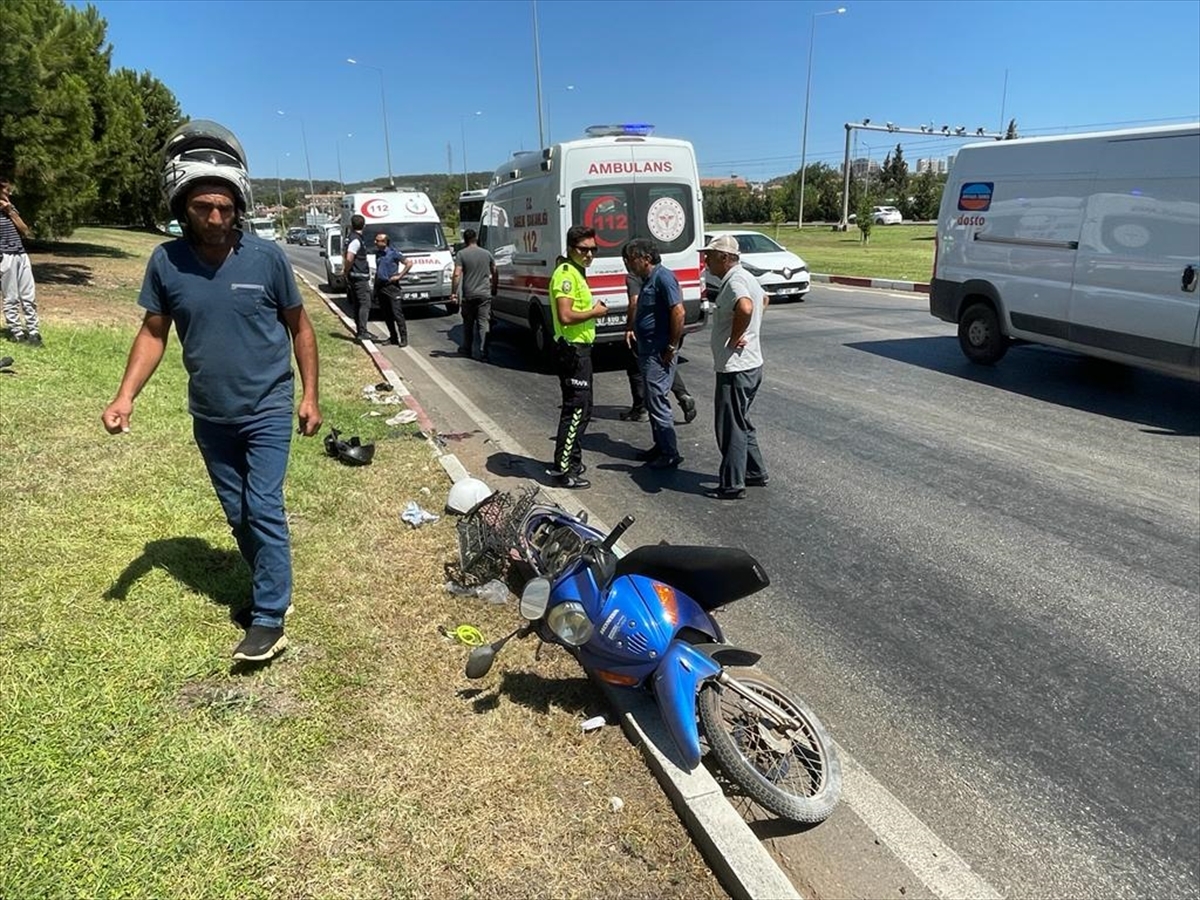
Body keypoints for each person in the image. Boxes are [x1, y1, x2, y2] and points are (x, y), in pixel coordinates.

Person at [101, 120, 322, 662]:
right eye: (204, 208)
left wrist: (309, 395)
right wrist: (125, 395)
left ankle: (269, 616)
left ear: (239, 205)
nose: (217, 218)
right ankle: (274, 585)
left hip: (267, 405)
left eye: (225, 207)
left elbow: (301, 327)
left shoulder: (266, 259)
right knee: (238, 512)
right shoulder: (166, 262)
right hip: (210, 414)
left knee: (263, 504)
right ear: (183, 206)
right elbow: (154, 333)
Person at [702, 234, 768, 500]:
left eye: (709, 255)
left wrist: (736, 334)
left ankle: (732, 484)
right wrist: (750, 331)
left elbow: (746, 305)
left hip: (736, 367)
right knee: (741, 422)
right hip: (751, 364)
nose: (705, 260)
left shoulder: (735, 281)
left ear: (725, 257)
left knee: (730, 427)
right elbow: (764, 300)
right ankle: (754, 471)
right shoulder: (747, 277)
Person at [545, 225, 608, 489]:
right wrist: (594, 313)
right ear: (571, 248)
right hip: (572, 350)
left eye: (594, 250)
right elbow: (566, 316)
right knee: (576, 411)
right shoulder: (566, 275)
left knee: (585, 409)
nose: (590, 255)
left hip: (581, 349)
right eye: (584, 250)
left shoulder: (576, 272)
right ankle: (563, 469)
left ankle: (573, 459)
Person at [622, 239, 684, 469]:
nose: (628, 264)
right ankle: (660, 446)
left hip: (659, 352)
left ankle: (670, 453)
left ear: (645, 258)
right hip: (648, 351)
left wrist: (671, 346)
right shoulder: (648, 279)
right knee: (651, 399)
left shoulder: (663, 277)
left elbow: (678, 311)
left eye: (631, 259)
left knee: (657, 400)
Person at [621, 272, 697, 425]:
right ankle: (682, 394)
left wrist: (629, 326)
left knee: (636, 366)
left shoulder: (634, 277)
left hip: (648, 333)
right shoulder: (665, 276)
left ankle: (641, 408)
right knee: (664, 363)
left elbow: (634, 302)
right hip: (666, 328)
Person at [0, 178, 41, 347]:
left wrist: (10, 212)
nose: (9, 193)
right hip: (4, 256)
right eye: (6, 191)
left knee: (28, 296)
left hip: (20, 254)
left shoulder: (10, 208)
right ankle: (16, 332)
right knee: (11, 297)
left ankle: (33, 332)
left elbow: (25, 230)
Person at [450, 228, 496, 361]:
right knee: (483, 322)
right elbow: (495, 270)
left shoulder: (461, 254)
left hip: (469, 294)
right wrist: (494, 287)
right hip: (484, 294)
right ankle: (483, 351)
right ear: (476, 238)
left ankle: (467, 349)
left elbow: (457, 274)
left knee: (468, 323)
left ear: (465, 240)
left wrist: (454, 293)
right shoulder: (487, 254)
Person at [372, 232, 412, 346]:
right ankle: (393, 337)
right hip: (381, 286)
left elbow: (409, 263)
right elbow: (378, 271)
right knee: (386, 314)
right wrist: (375, 290)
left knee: (397, 313)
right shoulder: (378, 254)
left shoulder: (394, 253)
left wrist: (399, 276)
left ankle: (403, 338)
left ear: (384, 242)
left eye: (377, 240)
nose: (375, 242)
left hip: (392, 287)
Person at [342, 213, 372, 341]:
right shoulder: (356, 240)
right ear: (363, 225)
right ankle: (362, 331)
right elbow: (349, 257)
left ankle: (360, 330)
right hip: (359, 277)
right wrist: (346, 270)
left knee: (358, 304)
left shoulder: (351, 237)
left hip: (355, 276)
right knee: (365, 304)